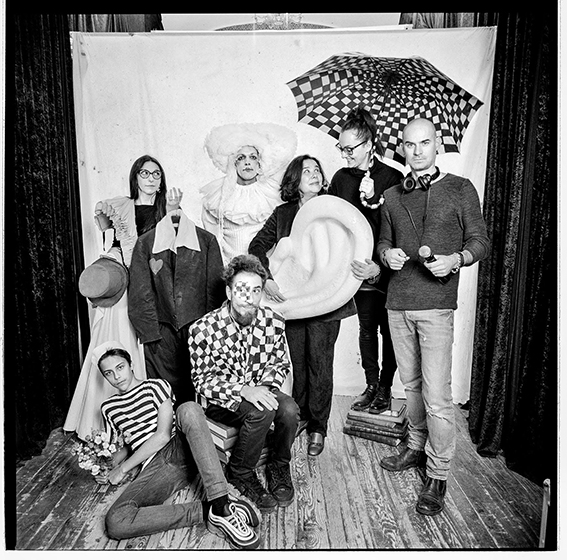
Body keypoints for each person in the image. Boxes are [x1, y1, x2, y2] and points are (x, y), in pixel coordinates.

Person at [377, 118, 490, 516]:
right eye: (410, 144)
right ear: (402, 149)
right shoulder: (392, 195)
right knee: (409, 386)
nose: (417, 150)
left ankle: (438, 474)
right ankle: (414, 446)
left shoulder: (461, 188)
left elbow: (481, 241)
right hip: (397, 304)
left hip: (437, 305)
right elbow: (383, 242)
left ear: (437, 144)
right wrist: (386, 255)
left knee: (437, 396)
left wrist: (456, 259)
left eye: (425, 143)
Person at [93, 342, 260, 549]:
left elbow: (162, 435)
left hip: (179, 447)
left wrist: (122, 469)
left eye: (120, 367)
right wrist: (105, 465)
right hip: (157, 470)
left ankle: (221, 502)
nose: (117, 376)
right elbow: (126, 445)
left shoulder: (155, 386)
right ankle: (210, 510)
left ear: (130, 364)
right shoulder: (108, 407)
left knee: (188, 408)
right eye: (109, 373)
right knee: (117, 521)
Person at [64, 155, 183, 440]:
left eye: (156, 174)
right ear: (135, 177)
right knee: (118, 338)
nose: (151, 178)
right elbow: (113, 243)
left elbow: (174, 249)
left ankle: (149, 421)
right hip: (125, 286)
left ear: (162, 180)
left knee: (151, 346)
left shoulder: (167, 209)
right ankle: (104, 424)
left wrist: (172, 212)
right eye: (145, 173)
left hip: (153, 287)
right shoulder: (121, 206)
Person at [248, 155, 355, 457]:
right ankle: (302, 417)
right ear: (295, 180)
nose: (314, 174)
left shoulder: (334, 208)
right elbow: (257, 246)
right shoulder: (284, 213)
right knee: (299, 362)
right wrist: (267, 278)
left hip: (328, 301)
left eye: (317, 169)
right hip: (293, 302)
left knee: (320, 363)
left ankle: (318, 427)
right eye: (306, 171)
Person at [189, 254, 300, 513]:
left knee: (289, 410)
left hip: (261, 388)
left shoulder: (274, 321)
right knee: (262, 412)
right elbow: (201, 381)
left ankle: (279, 465)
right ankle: (240, 472)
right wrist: (244, 390)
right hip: (220, 400)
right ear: (229, 292)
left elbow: (280, 363)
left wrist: (264, 389)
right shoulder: (202, 329)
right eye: (241, 290)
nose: (249, 297)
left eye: (256, 290)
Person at [328, 106, 404, 414]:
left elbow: (399, 228)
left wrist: (374, 199)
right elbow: (334, 224)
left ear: (369, 144)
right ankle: (371, 385)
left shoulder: (393, 177)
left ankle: (385, 388)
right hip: (356, 270)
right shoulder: (340, 178)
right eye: (341, 148)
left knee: (390, 331)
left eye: (350, 149)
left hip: (387, 269)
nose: (344, 154)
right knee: (367, 328)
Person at [128, 208, 225, 406]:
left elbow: (215, 291)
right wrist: (150, 334)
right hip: (160, 333)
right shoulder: (145, 243)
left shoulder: (207, 241)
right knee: (162, 393)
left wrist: (210, 334)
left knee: (199, 389)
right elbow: (140, 293)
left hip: (198, 330)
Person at [200, 122, 297, 264]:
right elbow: (212, 238)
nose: (247, 163)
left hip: (267, 267)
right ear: (233, 163)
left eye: (253, 157)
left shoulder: (273, 193)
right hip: (230, 266)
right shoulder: (217, 195)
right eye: (241, 158)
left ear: (260, 162)